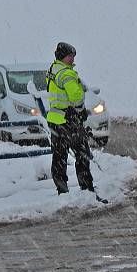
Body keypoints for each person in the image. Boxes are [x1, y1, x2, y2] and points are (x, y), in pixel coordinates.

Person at [46, 42, 105, 202]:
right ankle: (87, 191)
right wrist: (80, 110)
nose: (72, 59)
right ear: (63, 57)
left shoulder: (53, 69)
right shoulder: (67, 74)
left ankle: (62, 192)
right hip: (69, 121)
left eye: (73, 56)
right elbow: (76, 97)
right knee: (82, 154)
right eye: (70, 56)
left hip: (55, 120)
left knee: (59, 157)